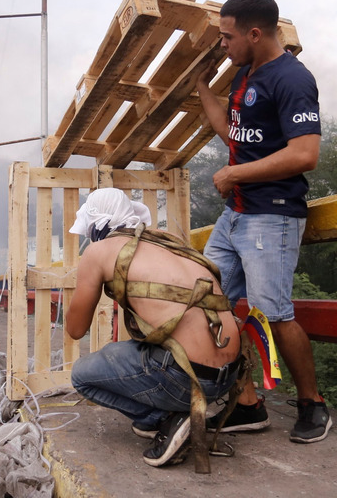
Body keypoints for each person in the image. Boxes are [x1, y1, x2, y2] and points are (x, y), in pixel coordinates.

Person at [195, 0, 330, 444]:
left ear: (255, 33)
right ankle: (247, 405)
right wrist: (197, 86)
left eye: (227, 37)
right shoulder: (244, 75)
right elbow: (229, 128)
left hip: (271, 217)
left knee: (272, 314)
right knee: (206, 304)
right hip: (233, 216)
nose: (222, 45)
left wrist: (236, 173)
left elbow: (305, 153)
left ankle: (313, 403)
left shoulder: (291, 79)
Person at [66, 189, 242, 468]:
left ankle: (167, 419)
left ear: (96, 225)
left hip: (189, 379)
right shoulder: (166, 240)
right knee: (136, 349)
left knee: (82, 375)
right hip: (230, 376)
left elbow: (75, 329)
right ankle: (173, 415)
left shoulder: (98, 251)